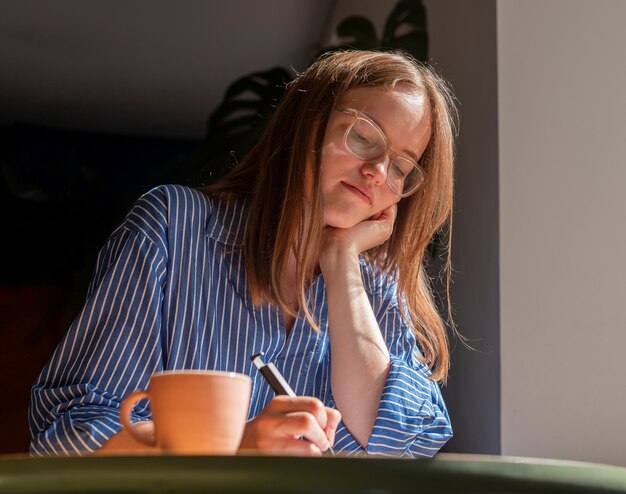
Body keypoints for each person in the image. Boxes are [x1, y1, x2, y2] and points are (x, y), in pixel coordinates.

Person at [29, 50, 457, 457]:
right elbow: (72, 431)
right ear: (305, 125)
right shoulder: (174, 229)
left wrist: (342, 259)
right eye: (364, 136)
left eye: (402, 166)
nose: (378, 172)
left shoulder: (377, 289)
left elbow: (400, 445)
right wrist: (236, 443)